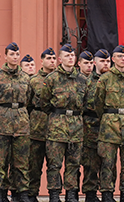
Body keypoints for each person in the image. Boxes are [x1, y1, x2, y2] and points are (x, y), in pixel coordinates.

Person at [40, 44, 88, 202]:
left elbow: (87, 102)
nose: (70, 58)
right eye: (67, 56)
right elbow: (44, 102)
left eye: (73, 55)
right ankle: (54, 194)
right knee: (54, 163)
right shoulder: (52, 79)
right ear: (60, 59)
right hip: (57, 126)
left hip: (76, 127)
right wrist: (56, 115)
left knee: (73, 163)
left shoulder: (82, 80)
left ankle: (71, 193)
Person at [0, 42, 31, 202]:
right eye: (12, 54)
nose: (15, 57)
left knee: (21, 161)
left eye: (17, 54)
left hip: (21, 124)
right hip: (0, 124)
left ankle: (21, 193)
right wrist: (2, 113)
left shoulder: (25, 77)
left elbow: (29, 99)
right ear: (6, 56)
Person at [95, 45, 124, 202]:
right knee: (107, 162)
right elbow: (98, 103)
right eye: (119, 56)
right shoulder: (105, 79)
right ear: (113, 59)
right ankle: (107, 194)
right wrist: (108, 117)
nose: (123, 59)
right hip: (109, 125)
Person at [28, 48, 58, 202]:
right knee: (34, 164)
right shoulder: (33, 80)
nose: (52, 61)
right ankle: (32, 193)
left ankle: (54, 194)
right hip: (37, 128)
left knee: (54, 165)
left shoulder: (60, 79)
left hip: (57, 128)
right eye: (49, 58)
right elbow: (27, 104)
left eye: (54, 58)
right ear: (42, 61)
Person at [82, 50, 108, 202]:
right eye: (102, 61)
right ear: (95, 63)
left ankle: (107, 192)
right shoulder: (86, 80)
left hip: (108, 126)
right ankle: (90, 193)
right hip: (90, 125)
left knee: (108, 162)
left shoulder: (112, 80)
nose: (105, 64)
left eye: (107, 61)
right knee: (90, 162)